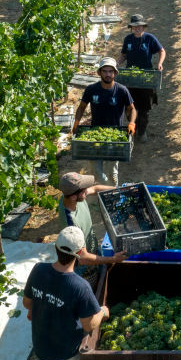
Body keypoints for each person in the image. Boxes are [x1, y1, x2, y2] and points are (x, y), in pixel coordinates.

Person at [24, 225, 110, 360]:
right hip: (65, 349)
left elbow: (27, 303)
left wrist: (41, 307)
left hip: (41, 341)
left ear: (56, 247)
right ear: (80, 253)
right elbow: (89, 324)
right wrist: (102, 312)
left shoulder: (38, 270)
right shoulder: (80, 286)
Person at [73, 57, 136, 186]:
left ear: (115, 73)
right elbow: (81, 108)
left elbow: (132, 109)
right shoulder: (91, 89)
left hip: (115, 136)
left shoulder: (121, 90)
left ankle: (111, 192)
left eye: (111, 71)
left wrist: (132, 122)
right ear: (99, 73)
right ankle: (103, 192)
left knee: (112, 172)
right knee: (95, 171)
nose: (108, 74)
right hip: (95, 134)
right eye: (105, 71)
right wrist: (77, 122)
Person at [58, 172, 128, 284]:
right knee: (92, 286)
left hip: (92, 248)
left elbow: (95, 189)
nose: (87, 190)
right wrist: (113, 259)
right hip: (82, 267)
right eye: (84, 190)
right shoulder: (72, 224)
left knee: (101, 274)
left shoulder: (69, 196)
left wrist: (121, 189)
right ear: (74, 197)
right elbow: (84, 258)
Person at [118, 14, 165, 142]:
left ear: (143, 26)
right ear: (132, 28)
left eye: (139, 26)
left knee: (144, 108)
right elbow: (124, 55)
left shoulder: (150, 38)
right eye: (135, 26)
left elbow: (162, 51)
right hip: (130, 78)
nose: (137, 28)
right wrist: (117, 64)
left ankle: (142, 132)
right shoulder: (128, 39)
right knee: (130, 106)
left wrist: (159, 63)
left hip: (146, 77)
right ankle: (133, 127)